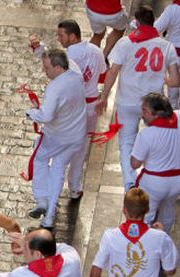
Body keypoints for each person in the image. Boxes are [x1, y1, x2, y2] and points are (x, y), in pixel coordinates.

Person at [96, 5, 180, 190]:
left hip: (127, 102)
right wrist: (160, 77)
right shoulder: (166, 46)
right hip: (154, 105)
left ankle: (130, 182)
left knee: (126, 143)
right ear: (153, 22)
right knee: (157, 139)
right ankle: (154, 174)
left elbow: (112, 72)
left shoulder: (125, 43)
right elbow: (176, 81)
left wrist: (103, 96)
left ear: (137, 21)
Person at [30, 20, 106, 199]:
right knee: (81, 148)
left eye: (61, 35)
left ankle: (50, 186)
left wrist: (39, 48)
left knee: (57, 146)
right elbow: (102, 74)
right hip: (92, 106)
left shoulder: (66, 57)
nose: (59, 38)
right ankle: (74, 187)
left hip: (71, 109)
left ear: (72, 36)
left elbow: (51, 62)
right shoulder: (96, 51)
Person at [24, 47, 86, 229]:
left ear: (58, 68)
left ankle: (42, 198)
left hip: (57, 137)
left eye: (47, 69)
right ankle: (49, 215)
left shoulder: (55, 87)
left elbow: (47, 116)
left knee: (40, 159)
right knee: (58, 169)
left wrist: (31, 113)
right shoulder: (76, 75)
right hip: (77, 137)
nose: (45, 72)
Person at [130, 93, 180, 233]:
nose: (142, 115)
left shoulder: (147, 134)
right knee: (168, 212)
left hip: (154, 183)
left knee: (145, 217)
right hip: (178, 181)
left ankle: (144, 245)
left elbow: (135, 164)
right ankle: (163, 239)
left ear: (157, 114)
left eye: (145, 111)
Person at [155, 0, 180, 110]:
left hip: (174, 54)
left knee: (173, 89)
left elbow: (155, 29)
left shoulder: (173, 9)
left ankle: (174, 114)